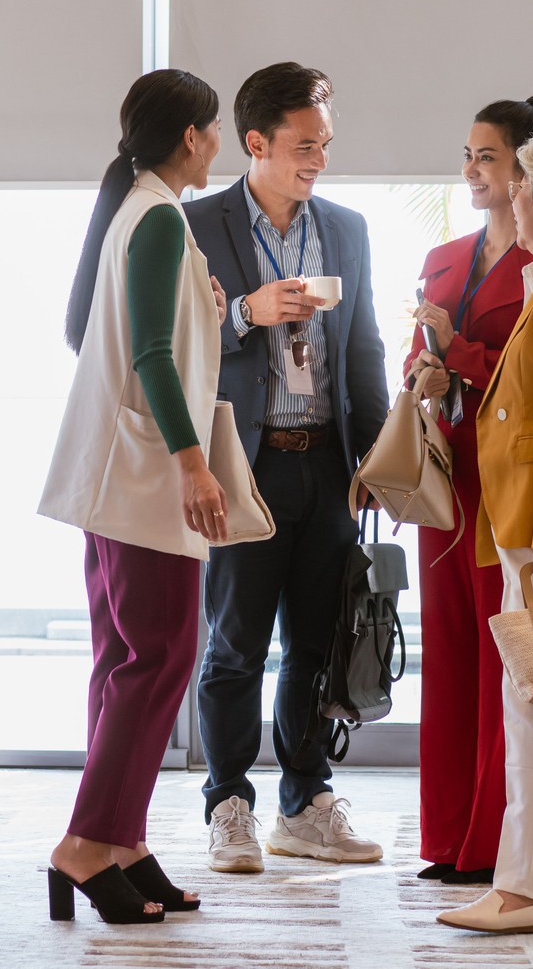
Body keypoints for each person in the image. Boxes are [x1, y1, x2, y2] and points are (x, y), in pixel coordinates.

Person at [182, 62, 390, 873]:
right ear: (257, 142)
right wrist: (246, 312)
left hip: (328, 466)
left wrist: (374, 458)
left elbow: (364, 348)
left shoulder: (347, 229)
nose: (320, 160)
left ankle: (304, 801)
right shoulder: (198, 225)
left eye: (327, 144)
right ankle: (227, 803)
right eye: (305, 145)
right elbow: (178, 344)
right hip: (246, 463)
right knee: (233, 644)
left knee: (318, 642)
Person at [37, 68, 233, 925]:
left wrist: (215, 309)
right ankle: (86, 843)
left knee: (131, 661)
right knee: (158, 658)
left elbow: (132, 336)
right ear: (191, 135)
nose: (217, 143)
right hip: (148, 477)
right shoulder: (157, 216)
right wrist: (194, 464)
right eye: (215, 129)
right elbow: (151, 356)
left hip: (117, 475)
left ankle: (121, 840)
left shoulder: (143, 212)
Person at [402, 97, 533, 886]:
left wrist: (456, 352)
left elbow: (521, 373)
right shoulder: (443, 255)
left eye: (487, 156)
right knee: (452, 650)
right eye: (467, 153)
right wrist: (424, 368)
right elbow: (419, 356)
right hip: (447, 472)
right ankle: (449, 836)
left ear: (526, 169)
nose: (471, 169)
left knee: (505, 654)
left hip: (505, 472)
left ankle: (496, 846)